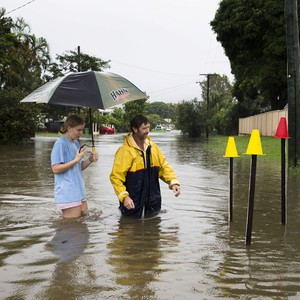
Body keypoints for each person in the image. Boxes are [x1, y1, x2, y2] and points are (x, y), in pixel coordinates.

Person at [110, 115, 180, 218]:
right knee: (129, 228)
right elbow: (116, 177)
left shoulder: (153, 147)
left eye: (148, 127)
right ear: (135, 129)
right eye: (144, 128)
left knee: (154, 228)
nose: (147, 131)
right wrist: (124, 197)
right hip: (132, 204)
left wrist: (173, 182)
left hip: (153, 202)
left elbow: (163, 166)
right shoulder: (124, 151)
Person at [51, 114, 99, 219]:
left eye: (82, 130)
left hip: (79, 190)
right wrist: (76, 160)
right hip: (68, 192)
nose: (81, 133)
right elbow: (55, 168)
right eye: (79, 130)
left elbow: (79, 167)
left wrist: (89, 160)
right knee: (72, 228)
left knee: (83, 221)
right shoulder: (60, 144)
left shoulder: (76, 143)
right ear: (69, 128)